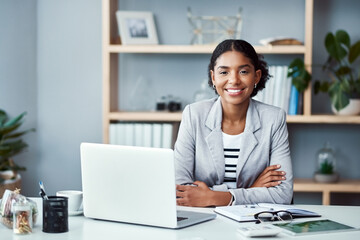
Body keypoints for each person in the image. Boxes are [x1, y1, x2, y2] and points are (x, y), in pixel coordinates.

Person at [174, 39, 293, 207]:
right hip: (203, 220)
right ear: (213, 77)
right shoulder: (194, 115)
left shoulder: (274, 119)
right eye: (224, 72)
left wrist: (213, 197)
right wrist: (252, 189)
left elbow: (283, 195)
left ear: (256, 76)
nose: (234, 80)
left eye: (243, 71)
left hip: (254, 223)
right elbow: (179, 190)